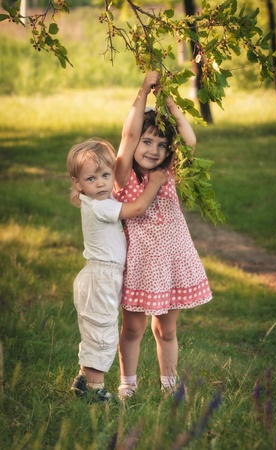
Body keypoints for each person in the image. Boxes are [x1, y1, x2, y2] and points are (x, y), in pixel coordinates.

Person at [114, 71, 213, 399]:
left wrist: (168, 98)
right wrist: (143, 90)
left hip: (172, 260)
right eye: (147, 141)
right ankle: (127, 385)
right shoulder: (124, 175)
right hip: (140, 264)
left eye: (161, 144)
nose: (153, 150)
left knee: (166, 330)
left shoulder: (168, 172)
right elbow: (128, 135)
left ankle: (169, 387)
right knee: (133, 328)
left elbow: (190, 139)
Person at [67, 137, 167, 402]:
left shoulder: (99, 200)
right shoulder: (101, 206)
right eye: (91, 179)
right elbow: (138, 207)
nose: (100, 183)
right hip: (100, 279)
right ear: (77, 184)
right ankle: (94, 390)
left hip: (99, 278)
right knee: (101, 334)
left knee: (96, 330)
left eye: (105, 175)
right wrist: (154, 183)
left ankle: (83, 380)